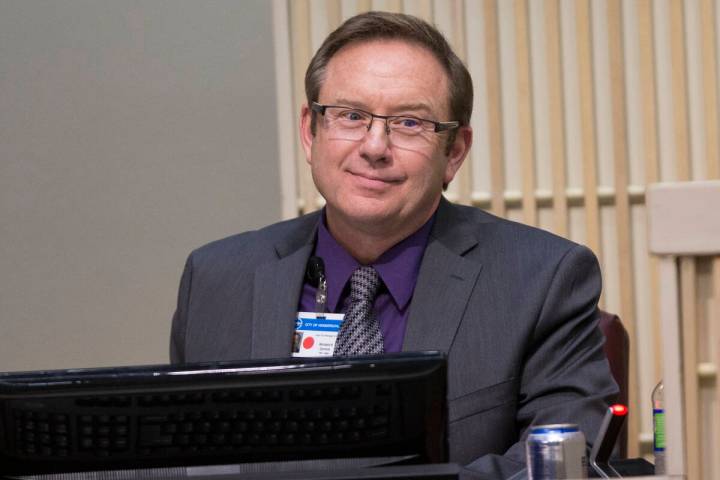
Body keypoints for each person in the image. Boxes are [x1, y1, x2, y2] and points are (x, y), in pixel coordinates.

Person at [170, 11, 618, 479]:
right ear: (311, 131)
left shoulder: (542, 278)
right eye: (351, 115)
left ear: (455, 152)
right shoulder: (216, 279)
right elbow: (181, 461)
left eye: (408, 123)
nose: (374, 146)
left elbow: (562, 459)